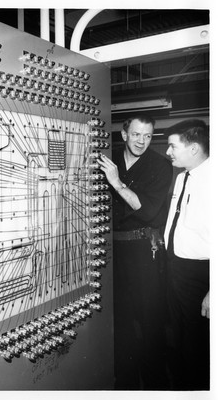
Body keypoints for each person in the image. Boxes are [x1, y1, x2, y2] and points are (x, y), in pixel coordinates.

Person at [97, 114, 173, 390]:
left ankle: (157, 386)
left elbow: (148, 209)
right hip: (111, 250)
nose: (142, 141)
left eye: (148, 135)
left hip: (144, 251)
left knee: (151, 322)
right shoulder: (109, 158)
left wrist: (116, 182)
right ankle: (125, 385)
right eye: (137, 134)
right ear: (124, 134)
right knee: (120, 322)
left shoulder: (160, 166)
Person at [163, 119, 210, 390]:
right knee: (179, 339)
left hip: (202, 274)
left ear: (193, 148)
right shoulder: (182, 177)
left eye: (172, 146)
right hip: (176, 269)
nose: (168, 152)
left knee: (197, 346)